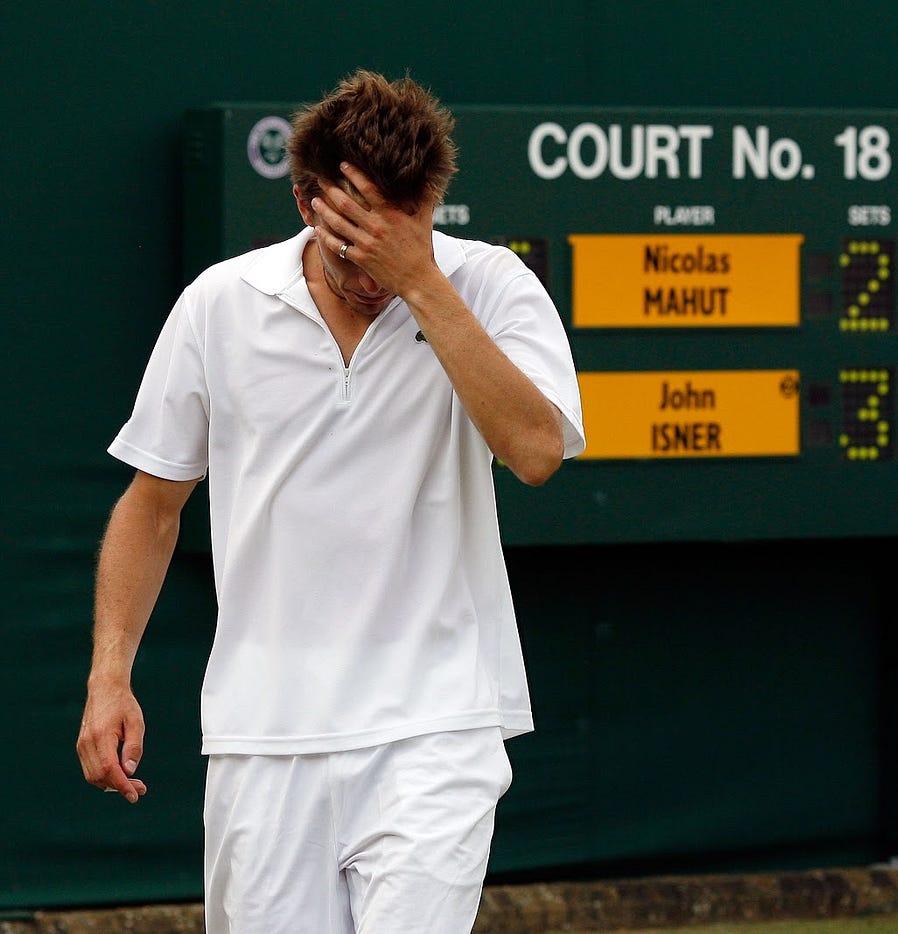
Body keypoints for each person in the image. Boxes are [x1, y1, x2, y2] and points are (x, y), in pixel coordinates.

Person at [75, 70, 585, 932]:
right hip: (261, 737)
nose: (374, 267)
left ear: (430, 207)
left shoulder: (489, 286)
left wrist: (421, 281)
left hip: (438, 727)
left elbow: (536, 452)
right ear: (308, 203)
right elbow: (153, 503)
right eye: (355, 236)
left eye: (404, 229)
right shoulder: (218, 304)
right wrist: (108, 673)